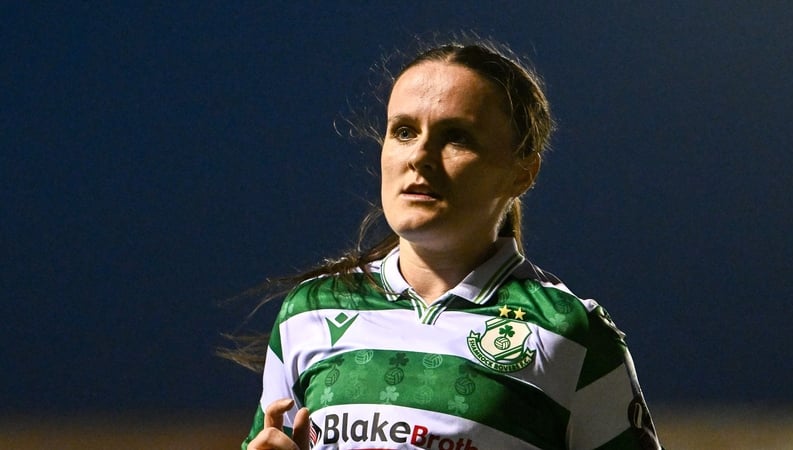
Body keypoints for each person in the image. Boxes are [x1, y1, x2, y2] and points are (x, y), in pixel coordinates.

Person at [231, 39, 663, 449]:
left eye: (456, 137)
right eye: (403, 131)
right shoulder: (312, 309)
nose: (419, 156)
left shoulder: (571, 333)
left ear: (521, 173)